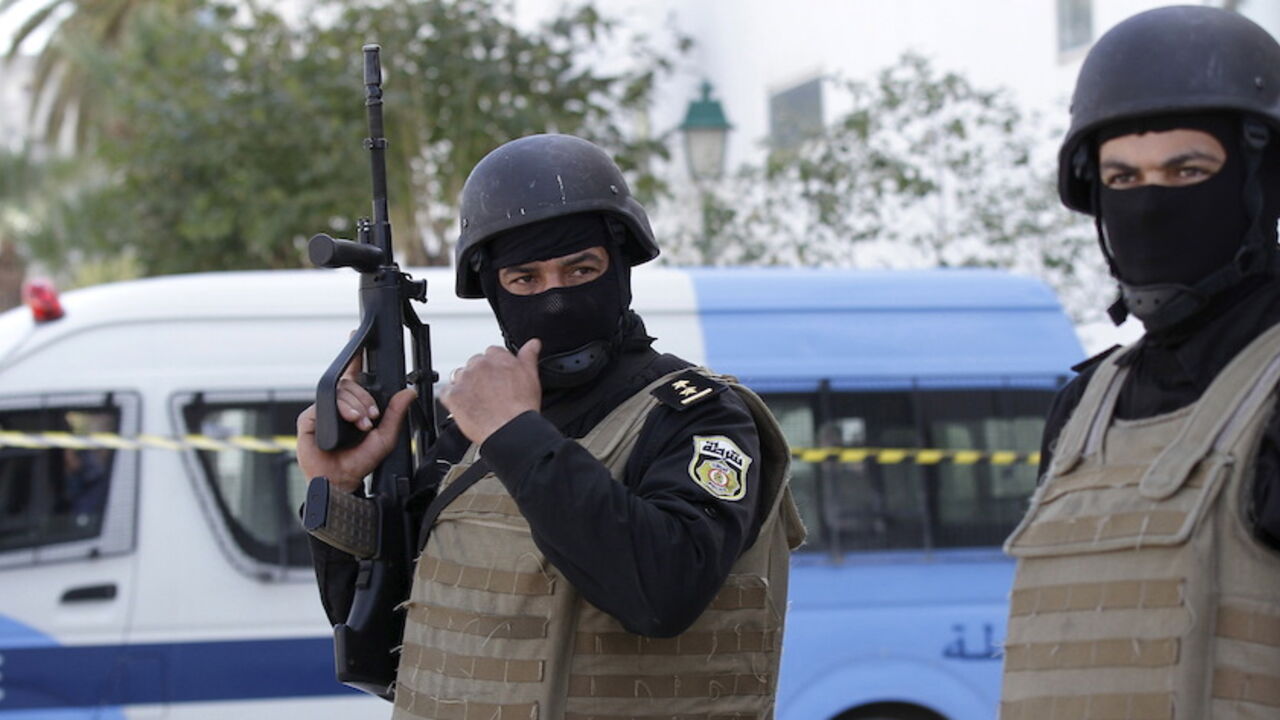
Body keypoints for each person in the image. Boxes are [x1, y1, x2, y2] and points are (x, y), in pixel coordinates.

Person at [296, 133, 805, 720]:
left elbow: (661, 594)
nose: (555, 297)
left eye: (580, 268)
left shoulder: (696, 414)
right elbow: (382, 652)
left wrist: (515, 430)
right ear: (494, 291)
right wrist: (335, 490)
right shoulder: (471, 431)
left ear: (620, 268)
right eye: (525, 280)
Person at [1001, 6, 1280, 718]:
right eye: (1122, 180)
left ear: (1260, 183)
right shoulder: (1085, 405)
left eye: (1187, 170)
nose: (1150, 204)